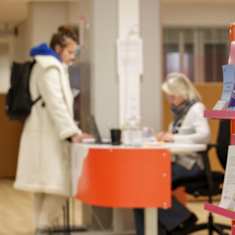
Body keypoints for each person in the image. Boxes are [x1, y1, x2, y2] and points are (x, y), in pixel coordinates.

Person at [14, 25, 89, 234]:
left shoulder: (47, 65)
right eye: (70, 52)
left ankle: (40, 229)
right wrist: (72, 132)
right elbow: (56, 104)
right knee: (60, 188)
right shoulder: (49, 68)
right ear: (58, 48)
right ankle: (43, 228)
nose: (73, 57)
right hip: (46, 137)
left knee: (43, 189)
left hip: (43, 134)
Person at [134, 72, 211, 234]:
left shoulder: (196, 109)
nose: (170, 101)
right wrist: (165, 137)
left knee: (146, 185)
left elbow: (205, 136)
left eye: (172, 97)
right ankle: (157, 229)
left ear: (182, 93)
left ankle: (183, 218)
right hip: (178, 162)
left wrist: (174, 138)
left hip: (191, 165)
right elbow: (178, 135)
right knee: (139, 186)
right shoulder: (180, 113)